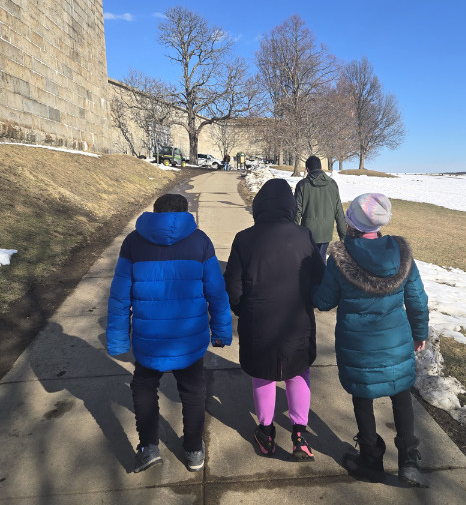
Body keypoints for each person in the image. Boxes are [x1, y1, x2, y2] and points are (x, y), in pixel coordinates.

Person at [106, 192, 232, 473]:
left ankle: (149, 447)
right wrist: (221, 332)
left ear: (156, 212)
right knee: (193, 390)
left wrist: (117, 340)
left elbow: (119, 296)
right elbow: (216, 293)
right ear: (185, 213)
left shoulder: (133, 243)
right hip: (188, 337)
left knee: (144, 386)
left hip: (149, 338)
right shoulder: (200, 241)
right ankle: (194, 449)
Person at [312, 192, 429, 485]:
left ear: (351, 222)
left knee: (362, 398)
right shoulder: (401, 253)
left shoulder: (340, 258)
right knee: (401, 395)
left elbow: (324, 302)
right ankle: (409, 461)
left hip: (358, 345)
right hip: (396, 341)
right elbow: (417, 298)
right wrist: (420, 333)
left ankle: (370, 459)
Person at [225, 179, 325, 460]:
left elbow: (232, 284)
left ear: (258, 206)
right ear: (290, 207)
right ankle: (300, 435)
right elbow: (320, 276)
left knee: (263, 374)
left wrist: (240, 309)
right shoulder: (304, 235)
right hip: (296, 317)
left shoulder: (244, 238)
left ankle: (266, 432)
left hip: (259, 318)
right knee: (298, 370)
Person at [294, 155, 347, 262]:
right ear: (321, 168)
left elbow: (296, 211)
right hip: (326, 231)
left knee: (307, 262)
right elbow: (339, 211)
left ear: (307, 170)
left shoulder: (302, 185)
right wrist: (343, 235)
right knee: (321, 260)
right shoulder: (332, 184)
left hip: (307, 232)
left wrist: (292, 233)